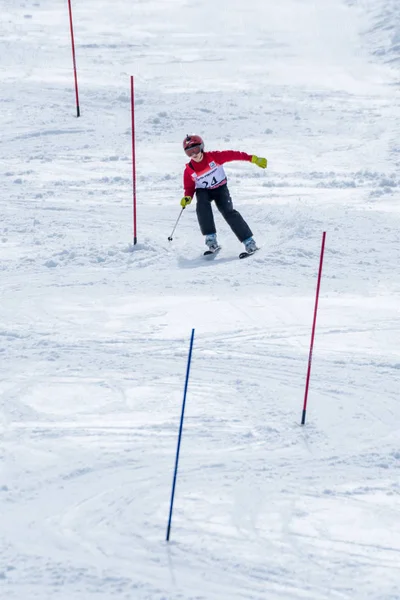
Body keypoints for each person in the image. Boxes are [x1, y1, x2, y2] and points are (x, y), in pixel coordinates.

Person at [180, 134, 267, 254]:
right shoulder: (189, 169)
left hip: (220, 188)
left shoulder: (214, 157)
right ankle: (211, 239)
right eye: (189, 152)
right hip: (203, 191)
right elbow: (189, 187)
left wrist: (253, 158)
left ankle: (249, 242)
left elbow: (233, 155)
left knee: (228, 212)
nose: (194, 154)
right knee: (202, 205)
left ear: (202, 147)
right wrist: (187, 197)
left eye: (195, 149)